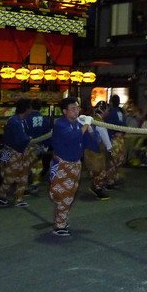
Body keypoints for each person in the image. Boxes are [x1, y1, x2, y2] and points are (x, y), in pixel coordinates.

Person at [49, 97, 90, 236]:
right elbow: (73, 137)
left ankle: (62, 220)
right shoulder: (60, 124)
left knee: (70, 194)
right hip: (63, 164)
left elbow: (89, 140)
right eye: (73, 108)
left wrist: (89, 129)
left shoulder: (77, 124)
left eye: (77, 108)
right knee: (63, 194)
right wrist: (85, 125)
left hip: (75, 164)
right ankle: (59, 225)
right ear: (65, 111)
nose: (76, 111)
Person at [0, 99, 32, 208]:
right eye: (30, 107)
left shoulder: (20, 120)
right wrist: (30, 139)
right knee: (9, 176)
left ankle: (18, 198)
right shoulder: (15, 122)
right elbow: (21, 139)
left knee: (23, 176)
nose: (31, 110)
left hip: (18, 152)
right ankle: (1, 196)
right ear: (26, 109)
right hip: (12, 152)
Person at [82, 101, 112, 200]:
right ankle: (97, 189)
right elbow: (105, 137)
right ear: (104, 111)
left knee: (96, 171)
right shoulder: (99, 122)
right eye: (107, 110)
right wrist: (110, 149)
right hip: (96, 150)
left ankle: (96, 187)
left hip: (89, 149)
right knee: (100, 171)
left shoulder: (91, 119)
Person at [25, 99, 51, 194]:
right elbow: (48, 134)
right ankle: (35, 185)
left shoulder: (26, 119)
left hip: (28, 146)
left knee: (27, 166)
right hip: (40, 147)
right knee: (37, 166)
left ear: (31, 107)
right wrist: (46, 146)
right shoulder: (45, 119)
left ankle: (25, 186)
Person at [104, 95, 127, 189]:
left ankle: (110, 181)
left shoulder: (111, 112)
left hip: (114, 139)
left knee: (111, 161)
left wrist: (107, 141)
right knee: (118, 160)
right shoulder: (121, 112)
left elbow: (108, 127)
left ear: (111, 102)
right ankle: (115, 179)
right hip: (121, 139)